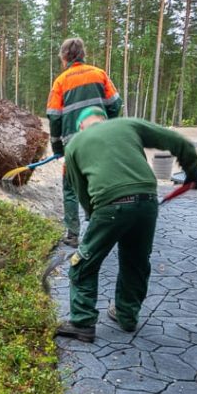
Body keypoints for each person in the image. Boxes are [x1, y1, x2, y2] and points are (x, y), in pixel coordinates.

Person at [55, 108, 197, 343]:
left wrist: (94, 219)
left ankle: (82, 322)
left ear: (80, 126)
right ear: (104, 119)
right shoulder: (126, 125)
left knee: (84, 264)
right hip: (147, 201)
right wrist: (192, 172)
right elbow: (177, 141)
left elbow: (81, 191)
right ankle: (127, 315)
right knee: (136, 261)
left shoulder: (74, 144)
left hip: (109, 206)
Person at [47, 38, 122, 247]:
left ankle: (72, 234)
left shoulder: (61, 82)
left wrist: (57, 147)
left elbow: (54, 116)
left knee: (70, 188)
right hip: (101, 142)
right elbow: (116, 103)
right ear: (82, 54)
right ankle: (102, 228)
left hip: (75, 146)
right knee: (101, 184)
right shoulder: (100, 75)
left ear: (64, 58)